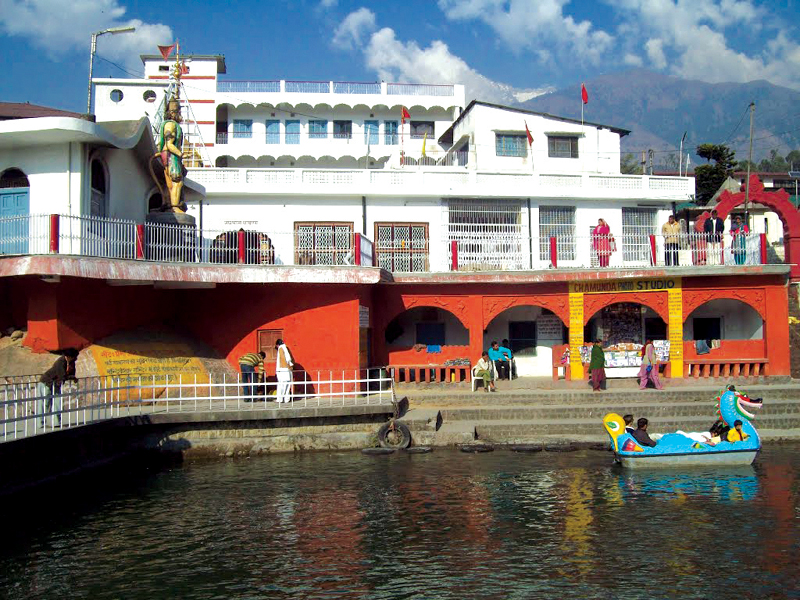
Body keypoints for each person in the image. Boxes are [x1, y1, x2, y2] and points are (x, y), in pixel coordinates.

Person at [153, 93, 188, 212]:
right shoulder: (171, 125)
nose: (180, 115)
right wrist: (180, 154)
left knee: (170, 183)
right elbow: (169, 144)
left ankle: (170, 204)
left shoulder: (169, 124)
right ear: (173, 112)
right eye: (179, 112)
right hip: (171, 157)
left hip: (167, 156)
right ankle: (174, 206)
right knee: (176, 182)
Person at [37, 349, 78, 429]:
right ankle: (40, 423)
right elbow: (62, 375)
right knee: (44, 403)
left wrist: (72, 376)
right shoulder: (60, 361)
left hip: (56, 384)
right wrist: (71, 377)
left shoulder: (72, 362)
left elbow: (72, 373)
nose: (75, 359)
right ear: (68, 356)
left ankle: (57, 422)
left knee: (57, 403)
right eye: (73, 357)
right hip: (46, 382)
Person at [275, 338, 294, 404]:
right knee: (287, 385)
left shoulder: (281, 348)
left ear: (277, 345)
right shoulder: (285, 348)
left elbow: (283, 358)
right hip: (288, 369)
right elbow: (288, 359)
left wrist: (284, 367)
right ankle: (286, 399)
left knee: (281, 385)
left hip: (283, 369)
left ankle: (280, 399)